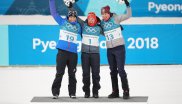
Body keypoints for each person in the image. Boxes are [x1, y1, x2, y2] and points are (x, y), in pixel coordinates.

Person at [65, 2, 103, 98]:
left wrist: (118, 25)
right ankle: (87, 92)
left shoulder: (99, 28)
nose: (91, 20)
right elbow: (75, 17)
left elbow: (108, 29)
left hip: (95, 54)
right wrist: (70, 7)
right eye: (89, 19)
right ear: (87, 19)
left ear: (95, 19)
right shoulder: (83, 25)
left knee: (96, 74)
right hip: (85, 54)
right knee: (85, 74)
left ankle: (95, 92)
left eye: (92, 19)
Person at [49, 0, 81, 99]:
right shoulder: (62, 22)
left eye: (74, 17)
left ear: (76, 18)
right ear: (68, 17)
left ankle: (72, 93)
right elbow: (54, 13)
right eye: (70, 16)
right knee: (59, 73)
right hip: (62, 52)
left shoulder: (78, 27)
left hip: (73, 54)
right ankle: (55, 92)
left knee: (72, 74)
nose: (72, 18)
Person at [100, 0, 132, 99]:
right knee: (113, 71)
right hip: (110, 50)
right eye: (102, 14)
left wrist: (127, 4)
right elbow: (102, 33)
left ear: (109, 13)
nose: (104, 16)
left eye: (105, 13)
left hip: (119, 49)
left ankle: (126, 91)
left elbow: (128, 15)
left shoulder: (116, 18)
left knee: (121, 70)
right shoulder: (102, 23)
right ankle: (115, 91)